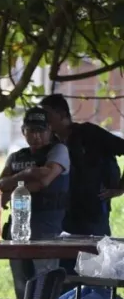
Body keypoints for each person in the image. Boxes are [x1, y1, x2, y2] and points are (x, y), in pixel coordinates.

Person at [1, 106, 71, 299]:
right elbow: (1, 185)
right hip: (18, 228)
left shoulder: (58, 150)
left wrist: (15, 186)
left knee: (45, 285)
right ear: (23, 131)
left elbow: (45, 181)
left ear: (49, 130)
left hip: (47, 229)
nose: (36, 135)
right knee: (21, 285)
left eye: (40, 130)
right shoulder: (17, 156)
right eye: (31, 130)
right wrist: (26, 174)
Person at [40, 92, 124, 240]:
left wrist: (121, 188)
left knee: (93, 259)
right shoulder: (50, 143)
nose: (43, 120)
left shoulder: (89, 133)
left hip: (93, 214)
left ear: (61, 114)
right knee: (64, 261)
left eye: (46, 114)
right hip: (62, 216)